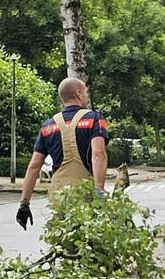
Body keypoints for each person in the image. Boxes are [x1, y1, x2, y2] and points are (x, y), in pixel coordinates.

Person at [16, 77, 109, 230]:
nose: (86, 96)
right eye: (85, 92)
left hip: (59, 196)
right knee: (89, 243)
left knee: (63, 240)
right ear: (79, 94)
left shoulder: (47, 126)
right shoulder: (94, 119)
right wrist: (99, 190)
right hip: (86, 194)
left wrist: (24, 204)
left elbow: (34, 166)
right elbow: (98, 154)